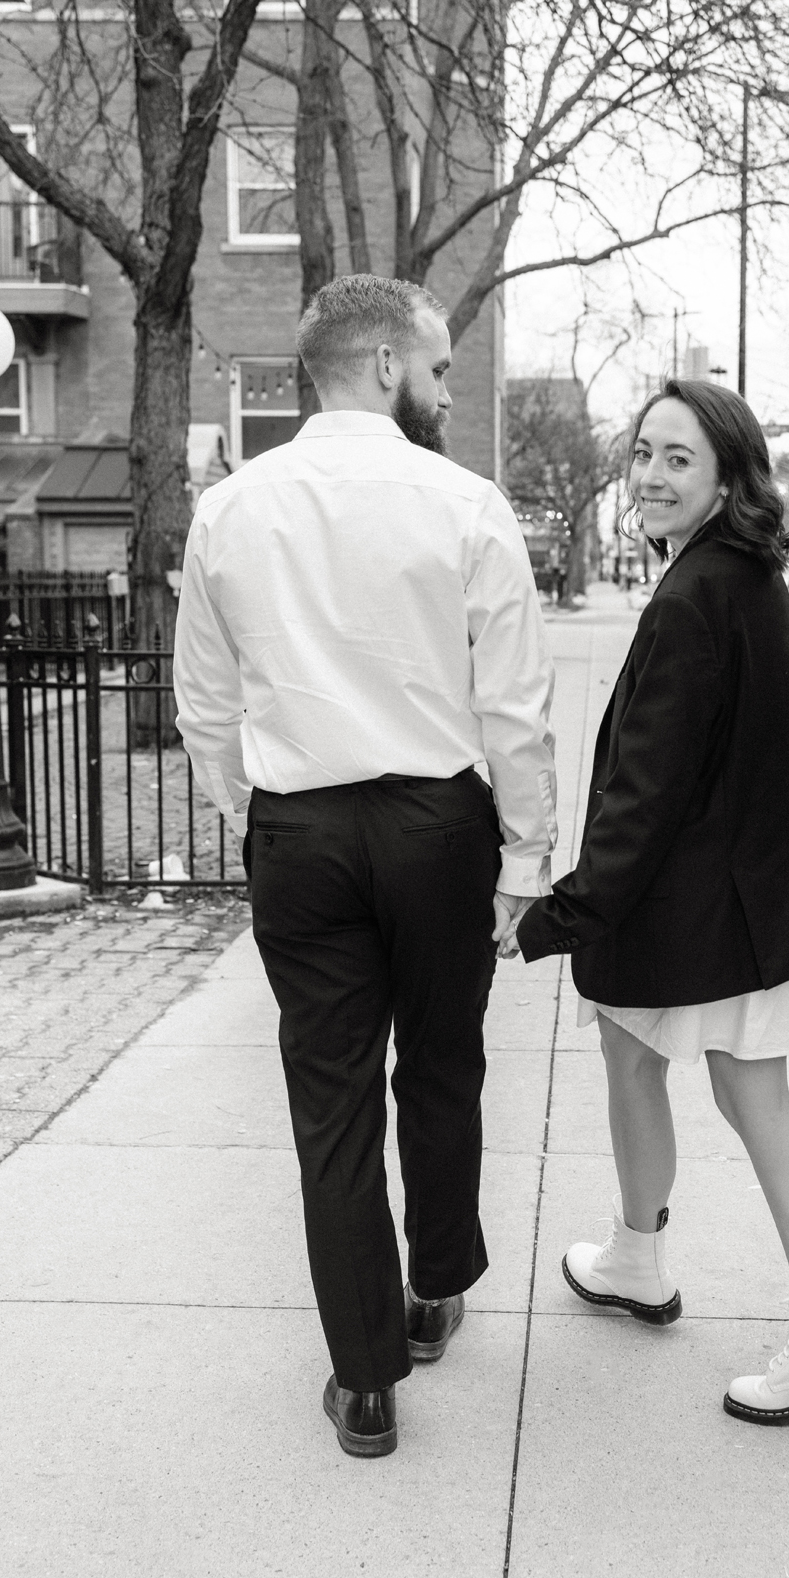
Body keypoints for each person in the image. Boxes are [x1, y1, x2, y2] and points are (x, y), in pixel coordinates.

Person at [174, 275, 557, 1459]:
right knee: (442, 1062)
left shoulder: (232, 508)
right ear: (385, 364)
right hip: (438, 824)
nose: (445, 391)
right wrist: (527, 854)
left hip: (304, 831)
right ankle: (435, 1285)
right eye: (441, 370)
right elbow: (515, 704)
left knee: (330, 1101)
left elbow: (204, 696)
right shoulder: (464, 500)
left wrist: (256, 801)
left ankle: (366, 1376)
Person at [507, 379, 789, 1426]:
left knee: (744, 1097)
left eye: (679, 458)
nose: (652, 476)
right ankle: (639, 1255)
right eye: (642, 455)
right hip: (747, 897)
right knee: (644, 1056)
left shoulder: (694, 597)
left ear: (727, 473)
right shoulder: (741, 574)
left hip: (713, 907)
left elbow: (647, 791)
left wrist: (558, 914)